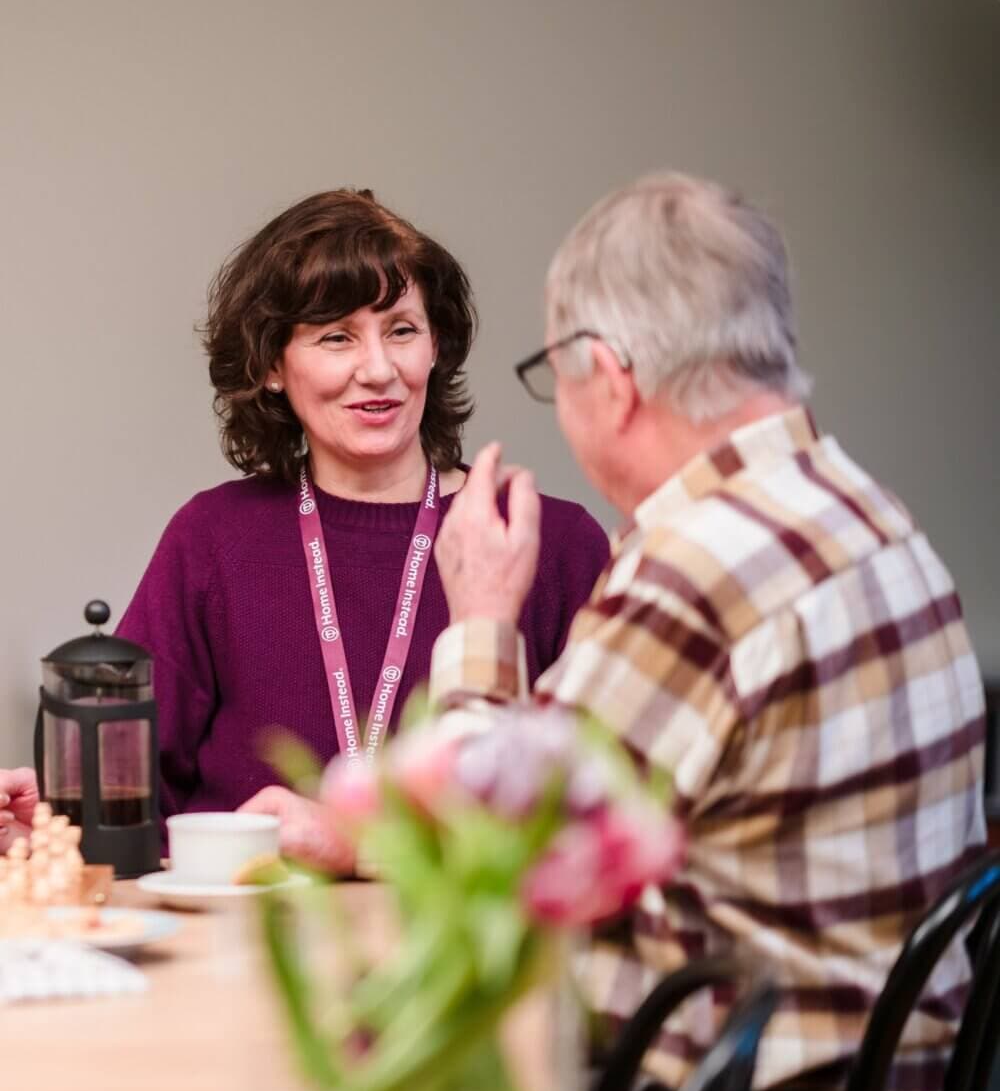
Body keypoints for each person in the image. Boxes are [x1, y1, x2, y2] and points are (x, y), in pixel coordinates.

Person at [424, 172, 986, 1091]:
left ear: (610, 375)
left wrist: (482, 620)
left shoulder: (701, 565)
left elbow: (481, 868)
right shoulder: (863, 509)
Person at [0, 189, 609, 864]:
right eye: (336, 336)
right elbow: (135, 808)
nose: (378, 368)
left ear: (436, 345)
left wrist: (354, 840)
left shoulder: (546, 542)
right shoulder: (212, 539)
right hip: (232, 955)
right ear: (269, 366)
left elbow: (604, 824)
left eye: (402, 329)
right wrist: (57, 833)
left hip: (471, 962)